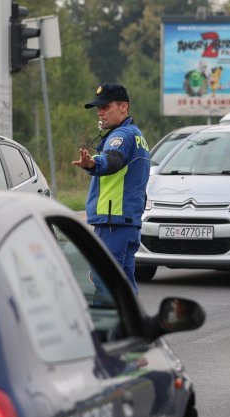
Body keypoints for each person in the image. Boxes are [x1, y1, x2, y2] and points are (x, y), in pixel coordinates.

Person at [72, 83, 150, 292]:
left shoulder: (120, 136)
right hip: (127, 224)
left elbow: (112, 160)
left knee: (106, 285)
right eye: (99, 108)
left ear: (123, 107)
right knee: (124, 287)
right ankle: (132, 325)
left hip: (112, 222)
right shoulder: (136, 135)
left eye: (106, 106)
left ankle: (110, 326)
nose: (100, 112)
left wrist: (93, 164)